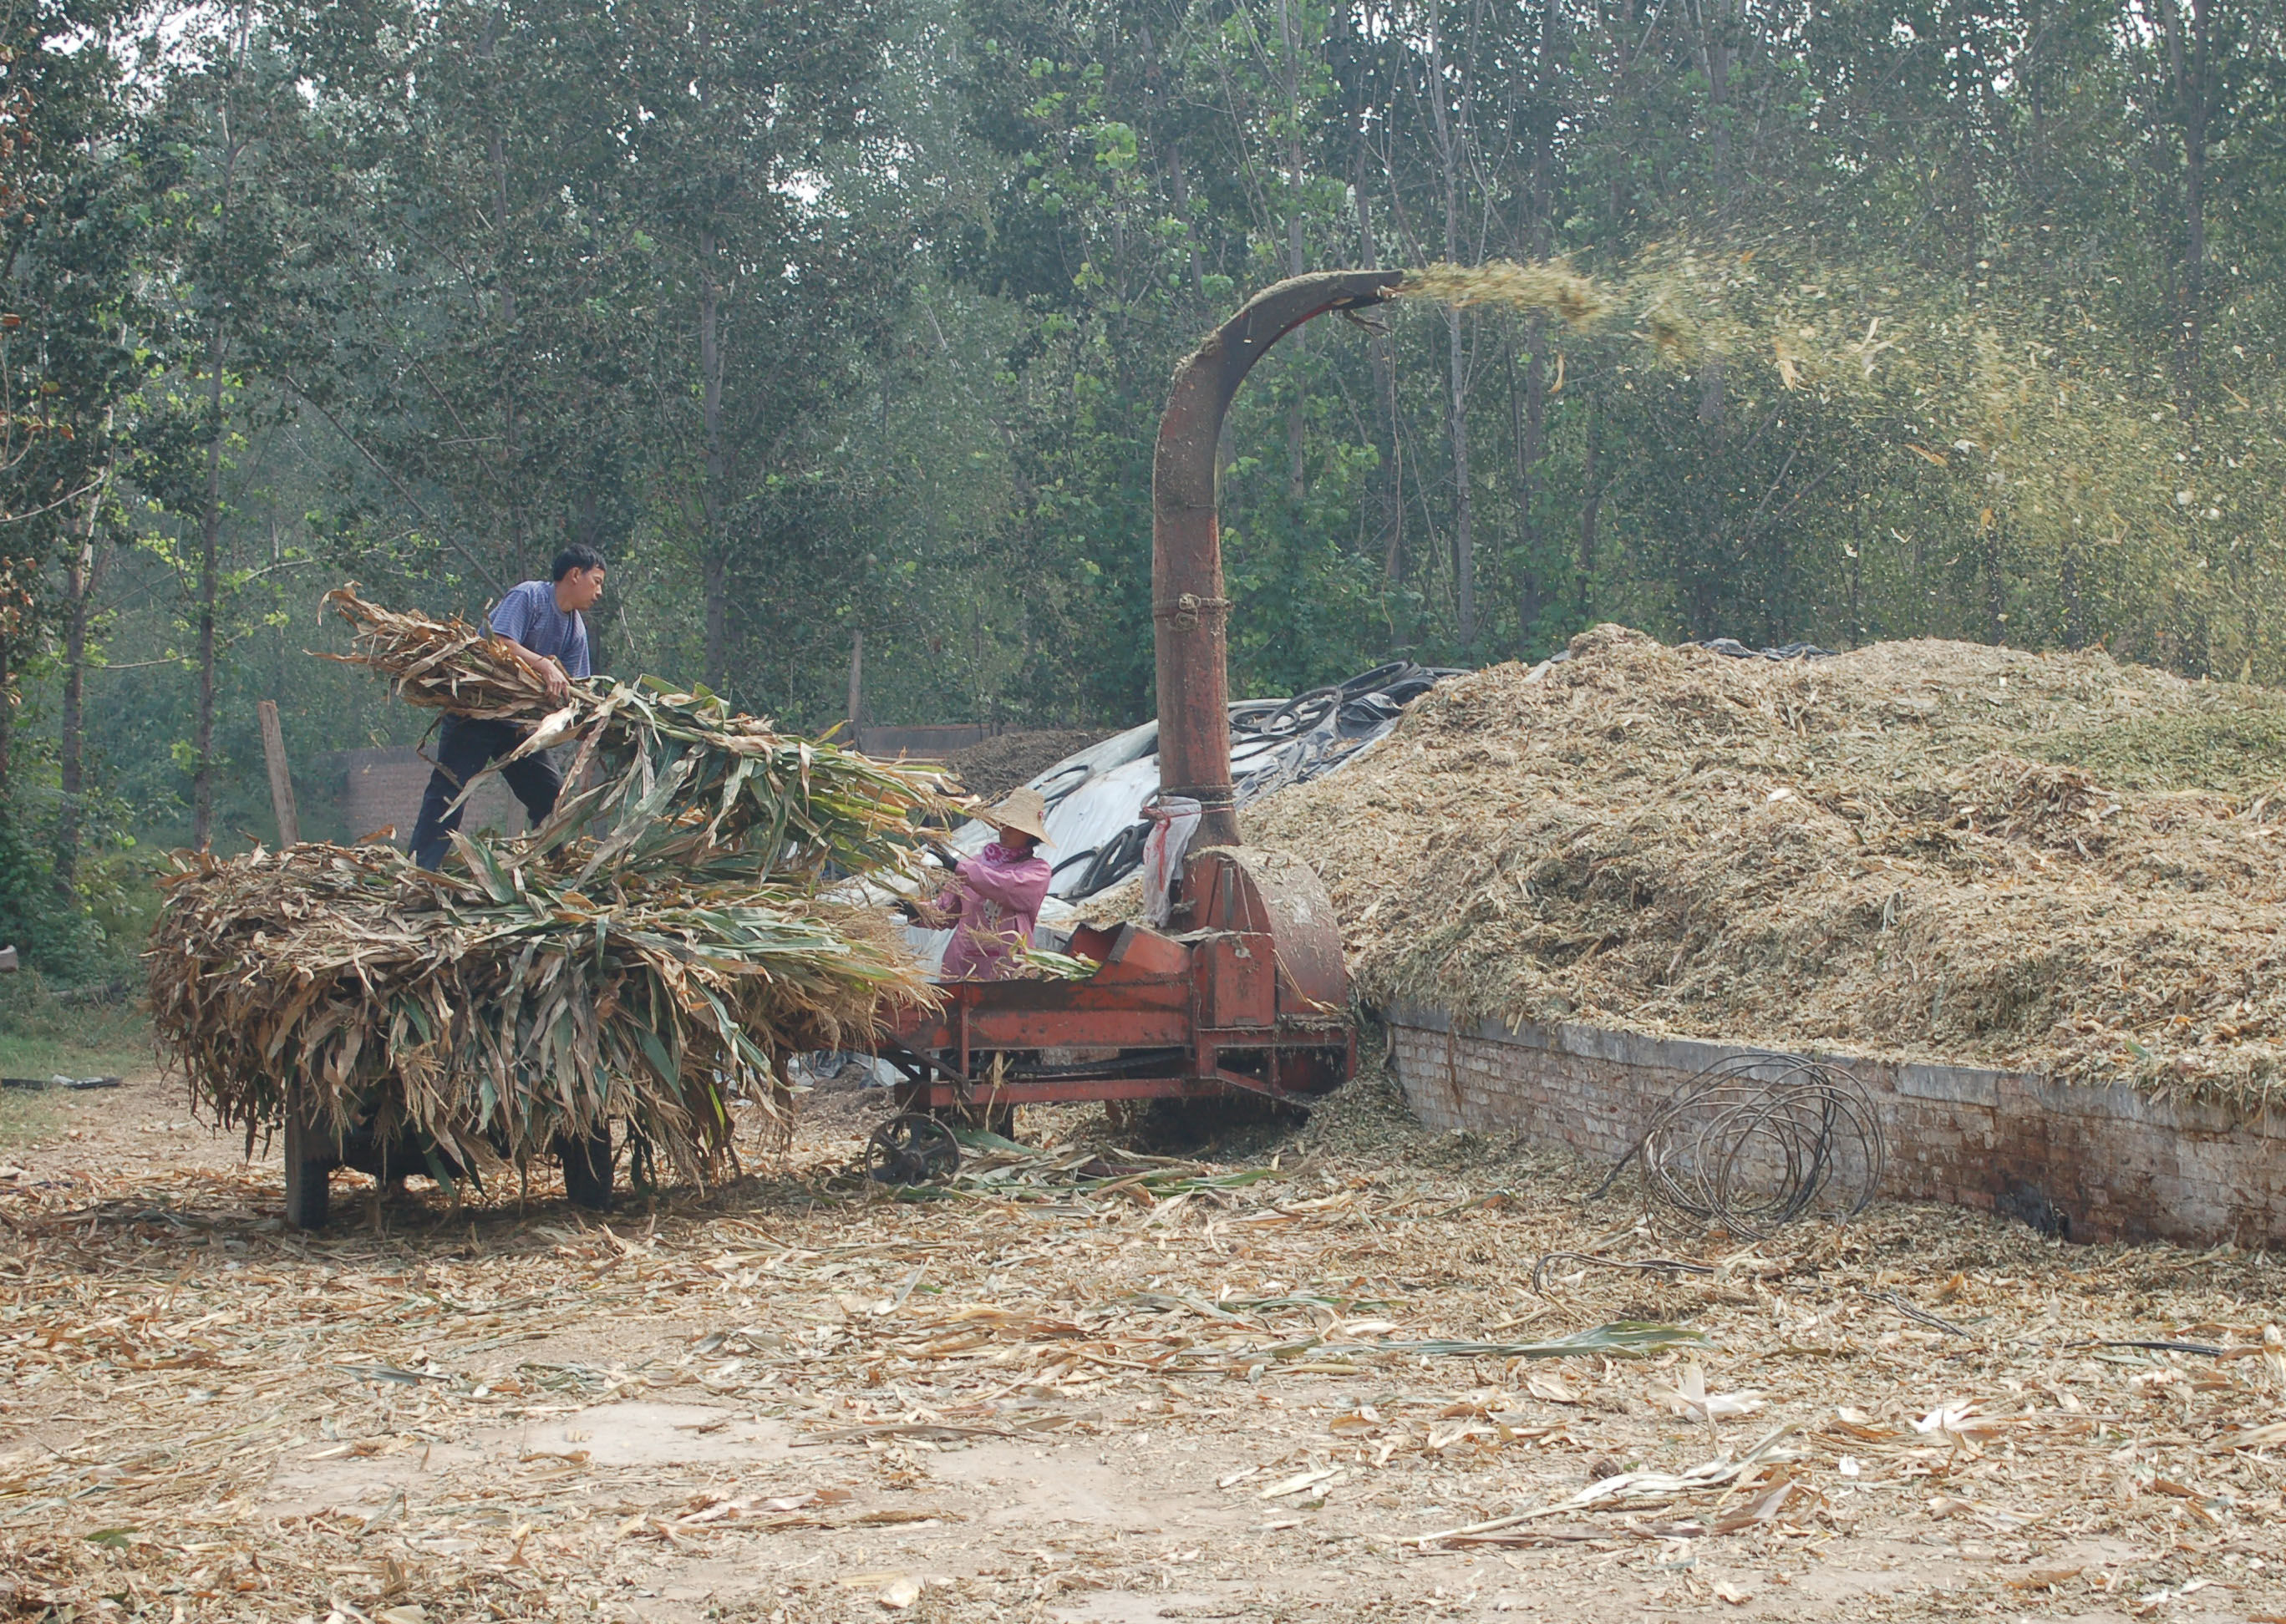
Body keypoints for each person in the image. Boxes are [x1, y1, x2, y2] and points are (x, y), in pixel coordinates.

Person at [408, 546, 607, 870]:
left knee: (549, 792)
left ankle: (560, 867)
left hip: (516, 726)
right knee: (450, 791)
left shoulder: (576, 629)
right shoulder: (529, 597)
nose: (598, 593)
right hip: (476, 711)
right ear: (575, 575)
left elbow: (573, 687)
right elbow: (497, 641)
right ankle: (420, 870)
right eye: (596, 582)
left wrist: (587, 726)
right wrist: (543, 665)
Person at [911, 789, 1054, 980]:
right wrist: (915, 910)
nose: (1005, 830)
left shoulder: (1036, 871)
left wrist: (959, 868)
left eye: (1014, 826)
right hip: (963, 968)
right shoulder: (973, 864)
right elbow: (947, 912)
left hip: (1010, 972)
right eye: (1004, 824)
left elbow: (1005, 887)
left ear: (1029, 835)